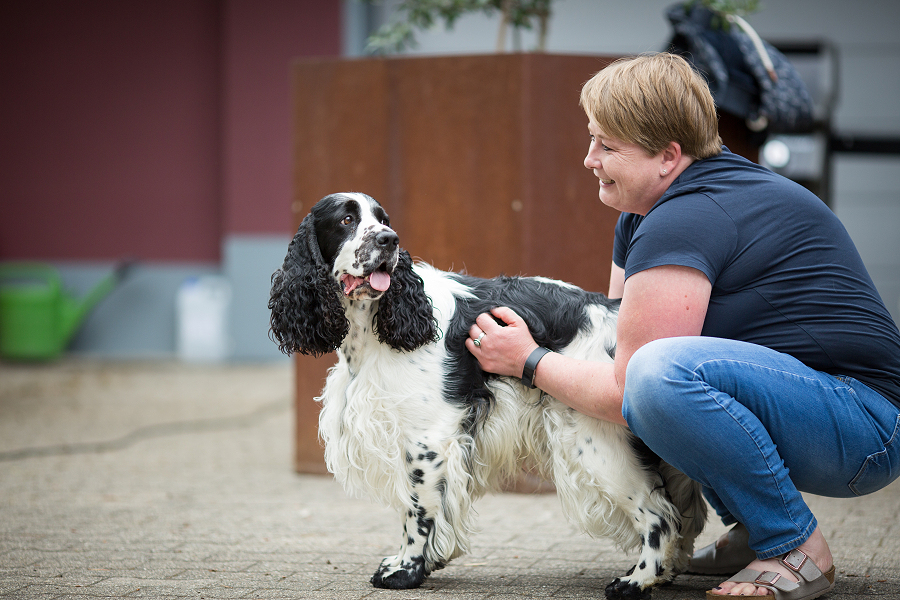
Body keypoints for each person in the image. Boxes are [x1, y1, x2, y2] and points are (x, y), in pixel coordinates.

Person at [465, 52, 900, 599]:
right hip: (823, 411)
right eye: (592, 139)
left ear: (669, 156)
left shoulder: (689, 216)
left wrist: (528, 361)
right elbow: (614, 340)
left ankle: (793, 547)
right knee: (661, 372)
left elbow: (629, 388)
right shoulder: (646, 211)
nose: (588, 159)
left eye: (607, 146)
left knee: (659, 374)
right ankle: (752, 533)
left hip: (866, 427)